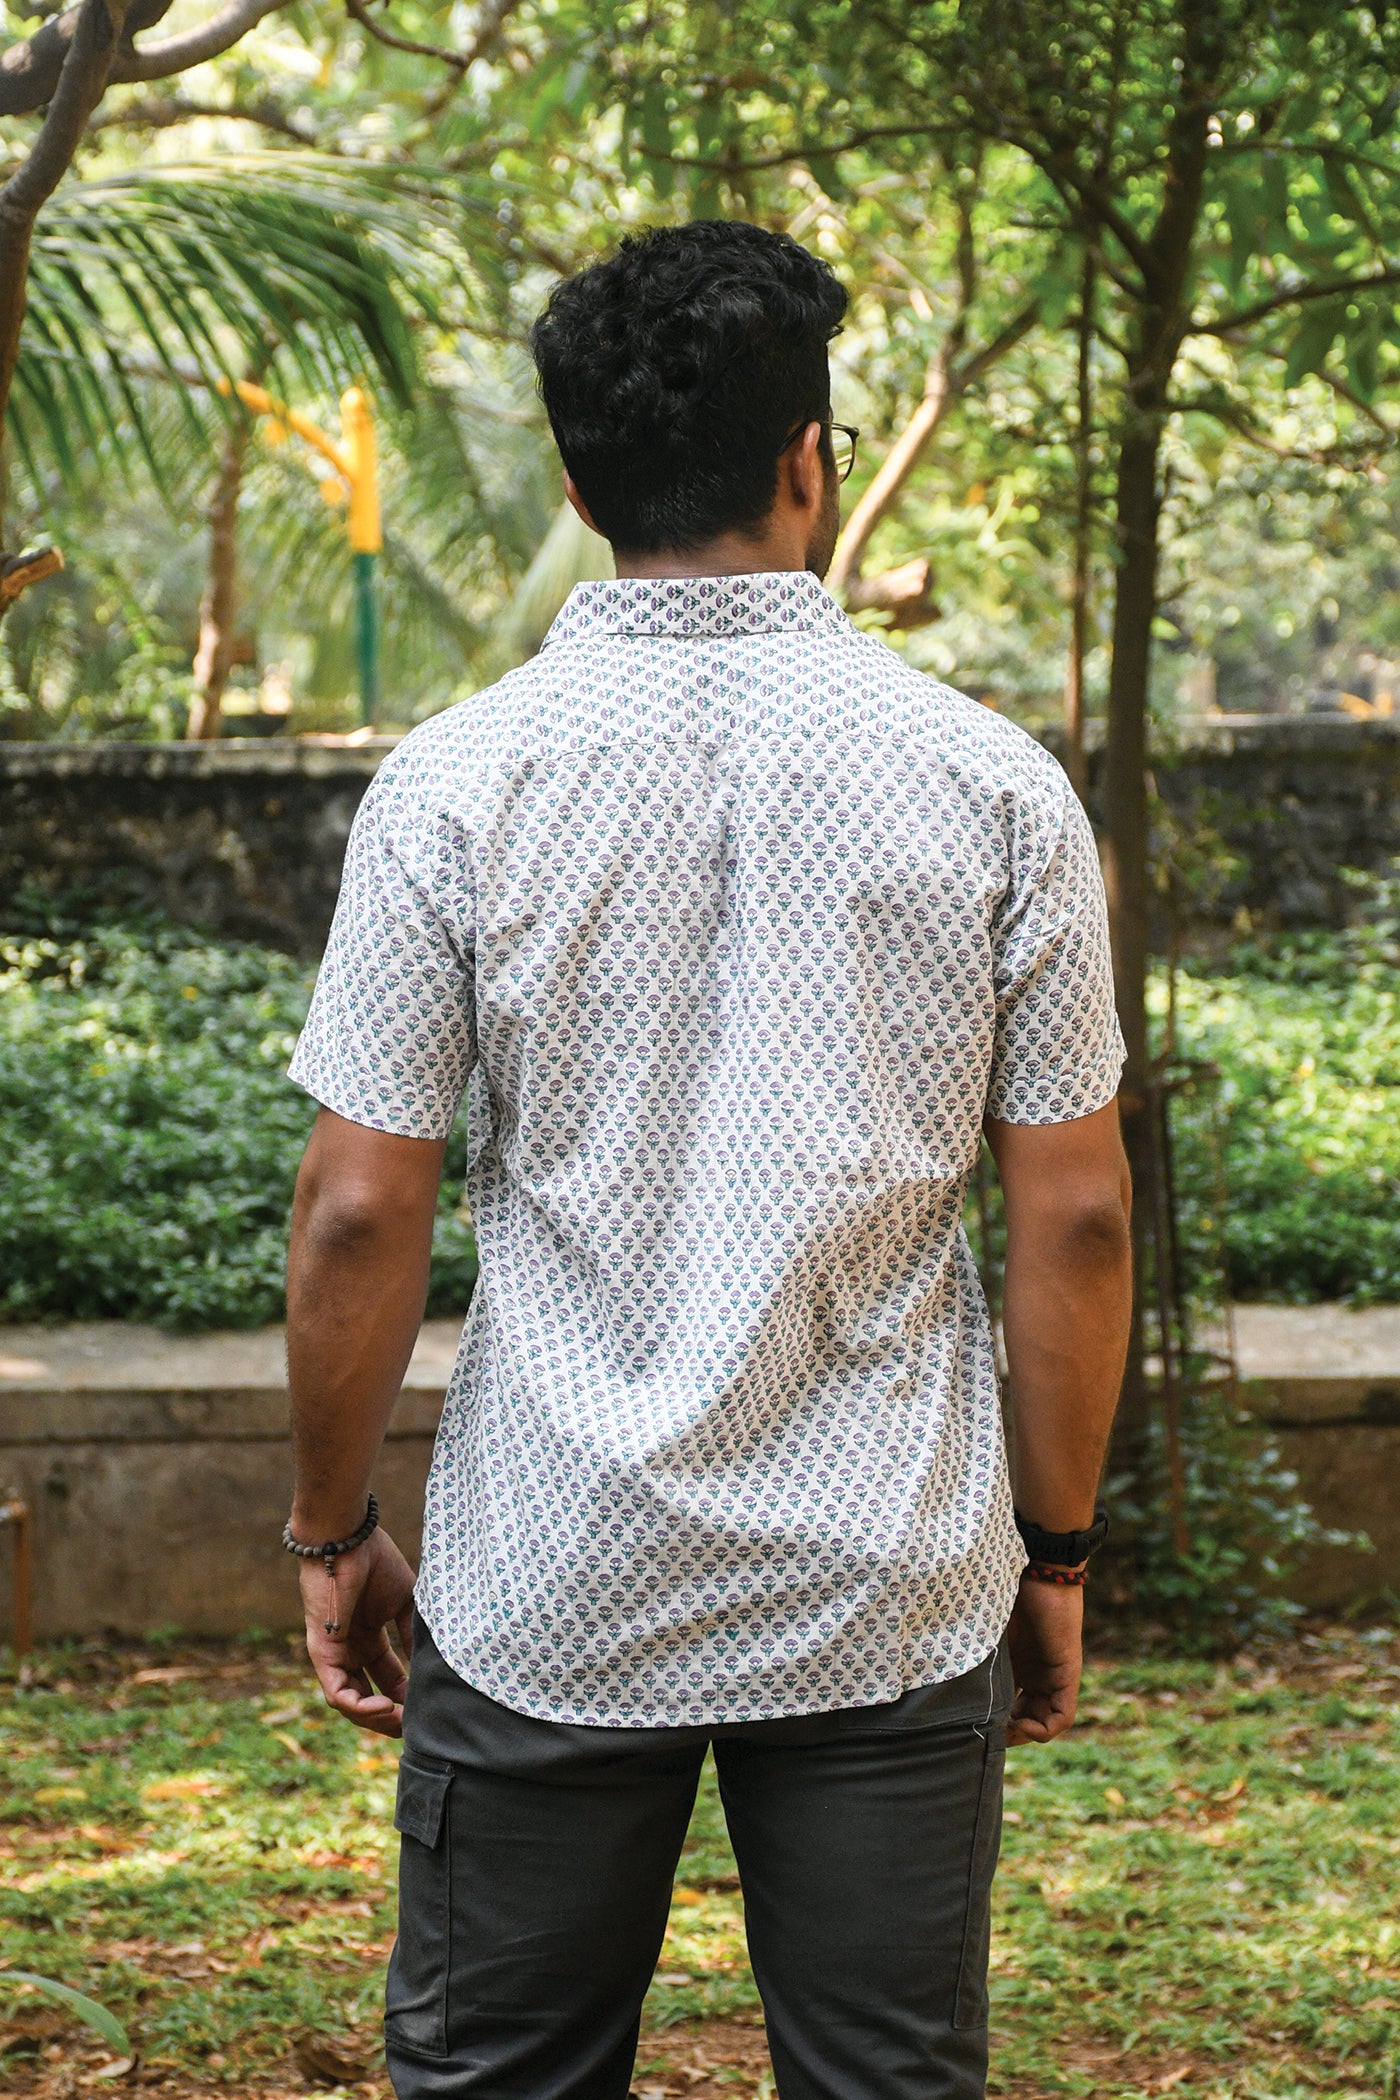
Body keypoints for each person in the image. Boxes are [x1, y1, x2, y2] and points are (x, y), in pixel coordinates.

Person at [282, 220, 1133, 2100]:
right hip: (887, 1584)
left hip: (548, 1579)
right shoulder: (993, 783)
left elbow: (359, 1207)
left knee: (499, 2075)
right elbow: (1073, 1212)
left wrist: (335, 1529)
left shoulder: (457, 781)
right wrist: (1052, 1547)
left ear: (577, 482)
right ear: (810, 461)